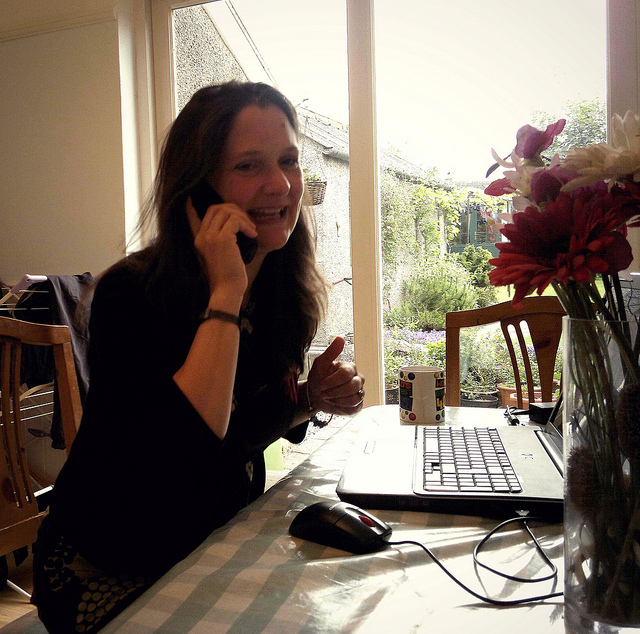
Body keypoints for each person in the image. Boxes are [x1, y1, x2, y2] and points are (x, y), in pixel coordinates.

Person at [32, 81, 365, 633]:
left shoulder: (282, 290)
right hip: (104, 560)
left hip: (210, 539)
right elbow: (187, 451)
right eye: (249, 166)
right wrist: (226, 293)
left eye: (288, 160)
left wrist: (311, 398)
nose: (281, 184)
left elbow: (240, 427)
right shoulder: (131, 295)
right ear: (199, 187)